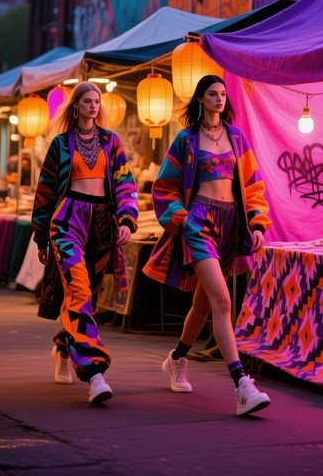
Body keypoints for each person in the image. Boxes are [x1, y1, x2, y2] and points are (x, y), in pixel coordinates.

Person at [142, 74, 272, 417]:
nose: (220, 99)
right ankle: (242, 384)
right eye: (213, 94)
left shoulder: (237, 137)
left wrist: (257, 222)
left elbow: (253, 184)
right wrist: (180, 216)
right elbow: (164, 186)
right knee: (223, 301)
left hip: (231, 225)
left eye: (223, 94)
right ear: (200, 98)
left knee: (203, 304)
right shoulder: (185, 140)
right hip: (198, 223)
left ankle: (177, 358)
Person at [31, 81, 138, 405]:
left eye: (97, 101)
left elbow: (124, 182)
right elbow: (46, 189)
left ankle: (63, 348)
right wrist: (40, 236)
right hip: (66, 221)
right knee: (79, 288)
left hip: (102, 226)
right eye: (87, 101)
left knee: (85, 292)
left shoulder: (112, 141)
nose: (93, 106)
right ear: (75, 105)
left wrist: (126, 219)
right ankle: (94, 370)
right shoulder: (61, 143)